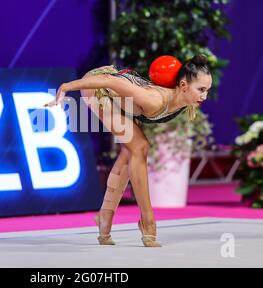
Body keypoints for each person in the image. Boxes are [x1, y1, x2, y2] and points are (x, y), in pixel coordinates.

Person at [45, 54, 212, 247]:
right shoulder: (155, 100)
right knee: (139, 147)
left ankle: (105, 217)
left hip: (119, 96)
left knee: (130, 151)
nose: (204, 96)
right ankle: (147, 220)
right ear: (183, 86)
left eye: (207, 90)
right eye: (201, 89)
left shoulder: (183, 101)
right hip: (98, 88)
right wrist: (66, 86)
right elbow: (108, 80)